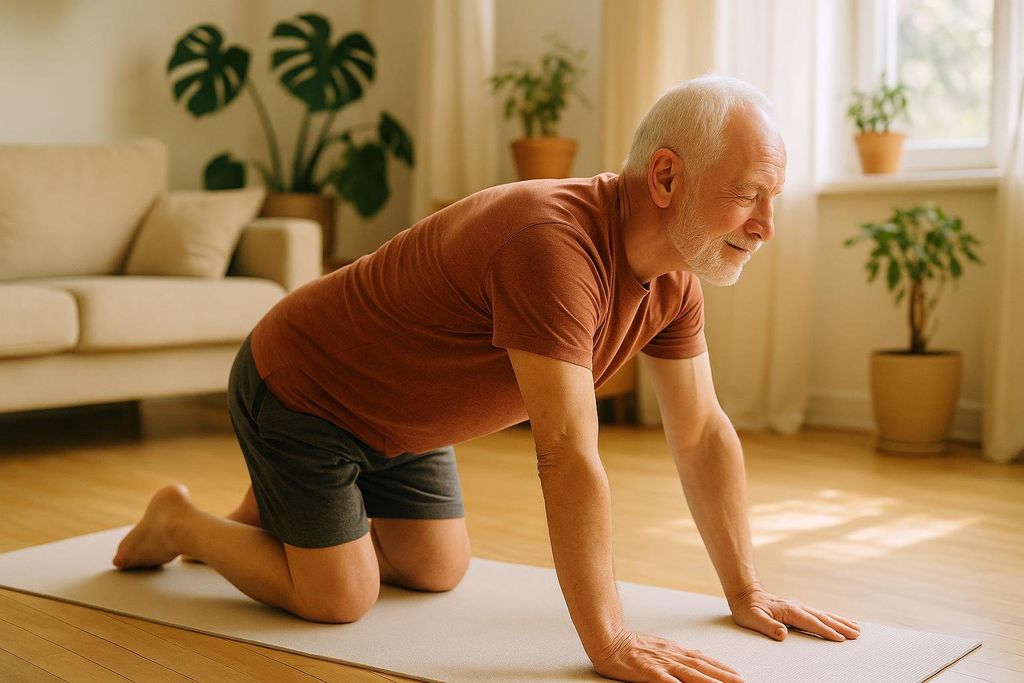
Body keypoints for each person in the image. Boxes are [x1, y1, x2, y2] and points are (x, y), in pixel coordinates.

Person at [114, 75, 860, 683]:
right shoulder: (552, 244)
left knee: (437, 567)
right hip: (305, 386)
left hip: (402, 423)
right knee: (343, 596)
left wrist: (746, 590)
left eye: (773, 199)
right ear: (666, 175)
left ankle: (276, 509)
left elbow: (701, 433)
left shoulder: (674, 280)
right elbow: (566, 448)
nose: (766, 224)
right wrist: (607, 641)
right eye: (749, 194)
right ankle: (180, 520)